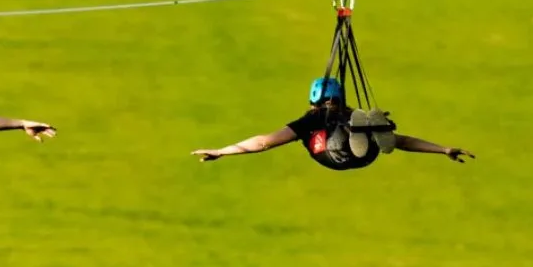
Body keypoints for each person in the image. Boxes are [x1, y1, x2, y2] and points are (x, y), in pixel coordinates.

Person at [191, 77, 472, 167]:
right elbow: (404, 142)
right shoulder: (349, 113)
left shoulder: (309, 120)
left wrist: (222, 151)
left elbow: (264, 142)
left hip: (330, 154)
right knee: (374, 134)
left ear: (313, 100)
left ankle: (358, 134)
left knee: (335, 136)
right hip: (365, 155)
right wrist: (443, 149)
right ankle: (367, 130)